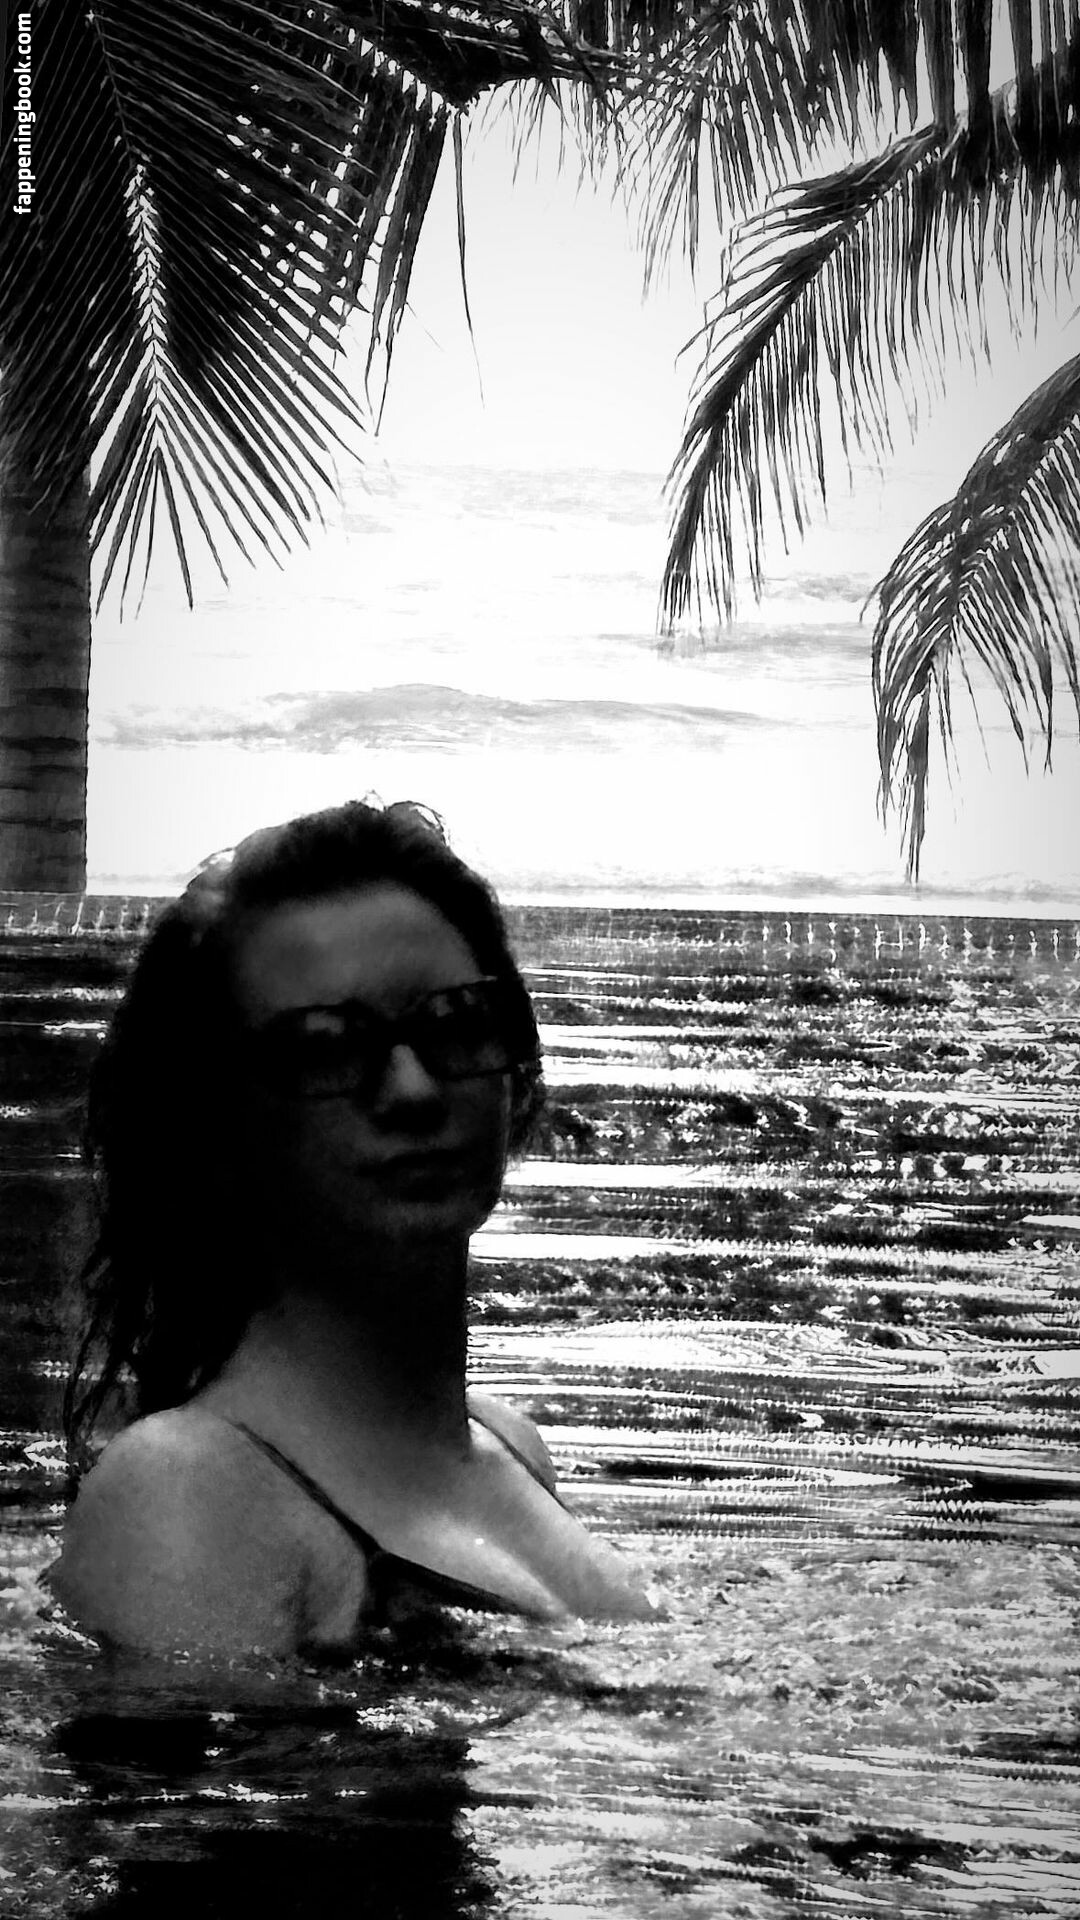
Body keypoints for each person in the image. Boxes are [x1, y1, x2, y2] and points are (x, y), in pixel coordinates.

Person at [50, 799, 654, 1658]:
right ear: (213, 1129)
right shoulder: (186, 1489)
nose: (412, 1090)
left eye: (454, 1024)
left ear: (514, 1069)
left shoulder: (510, 1447)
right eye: (329, 1047)